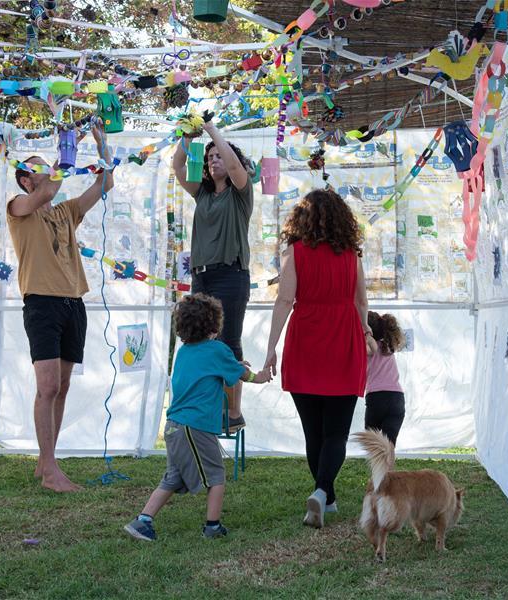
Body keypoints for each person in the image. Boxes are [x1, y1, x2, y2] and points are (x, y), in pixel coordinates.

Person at [6, 122, 113, 492]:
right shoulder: (19, 208)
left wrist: (100, 143)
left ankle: (46, 460)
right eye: (38, 168)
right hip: (42, 305)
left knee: (63, 386)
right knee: (47, 386)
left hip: (73, 303)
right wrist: (69, 145)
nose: (47, 171)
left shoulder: (65, 211)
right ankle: (50, 471)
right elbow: (51, 185)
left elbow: (105, 184)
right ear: (26, 181)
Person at [262, 188, 378, 529]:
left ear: (302, 220)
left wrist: (271, 349)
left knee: (314, 432)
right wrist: (367, 331)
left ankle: (323, 492)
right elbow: (361, 303)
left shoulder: (294, 253)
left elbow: (284, 302)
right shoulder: (352, 256)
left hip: (306, 341)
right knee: (336, 434)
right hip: (344, 341)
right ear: (344, 219)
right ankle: (325, 492)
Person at [124, 293, 271, 542]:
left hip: (173, 427)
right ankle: (212, 527)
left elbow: (213, 368)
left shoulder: (184, 352)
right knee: (216, 476)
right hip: (195, 427)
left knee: (172, 477)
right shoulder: (217, 350)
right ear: (215, 325)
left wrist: (233, 364)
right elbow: (241, 376)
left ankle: (143, 521)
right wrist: (261, 376)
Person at [173, 121, 253, 433]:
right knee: (200, 341)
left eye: (218, 156)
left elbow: (232, 163)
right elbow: (178, 165)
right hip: (202, 278)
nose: (213, 160)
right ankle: (209, 406)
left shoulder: (240, 192)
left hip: (231, 275)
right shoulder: (202, 193)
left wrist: (211, 131)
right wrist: (187, 138)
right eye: (209, 159)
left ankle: (234, 413)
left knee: (228, 342)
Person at [364, 311, 406, 446]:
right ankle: (389, 467)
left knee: (373, 445)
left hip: (377, 398)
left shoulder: (367, 348)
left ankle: (377, 468)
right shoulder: (389, 346)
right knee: (389, 446)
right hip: (397, 398)